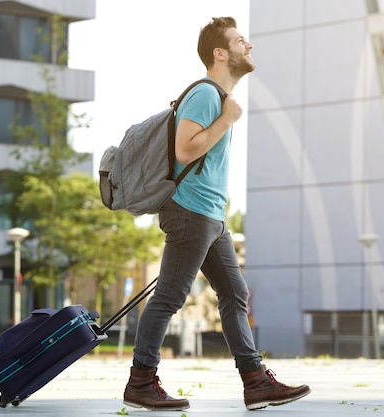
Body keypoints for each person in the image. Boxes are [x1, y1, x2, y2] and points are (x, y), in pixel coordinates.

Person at [122, 17, 311, 411]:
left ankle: (256, 382)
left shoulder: (217, 97)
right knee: (170, 297)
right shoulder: (207, 95)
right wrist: (227, 119)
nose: (250, 46)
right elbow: (185, 150)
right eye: (241, 41)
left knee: (234, 293)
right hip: (191, 212)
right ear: (220, 53)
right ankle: (140, 382)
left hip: (210, 216)